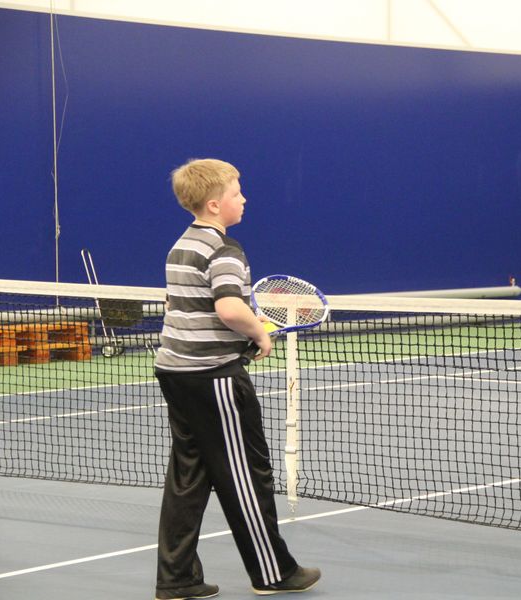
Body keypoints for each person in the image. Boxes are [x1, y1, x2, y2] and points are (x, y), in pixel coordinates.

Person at [154, 158, 321, 600]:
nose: (243, 199)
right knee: (245, 474)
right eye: (236, 193)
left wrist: (247, 324)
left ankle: (177, 578)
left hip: (174, 372)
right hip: (213, 379)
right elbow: (228, 308)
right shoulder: (224, 250)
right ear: (214, 205)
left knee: (189, 476)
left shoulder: (180, 246)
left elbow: (178, 306)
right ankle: (272, 573)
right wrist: (259, 333)